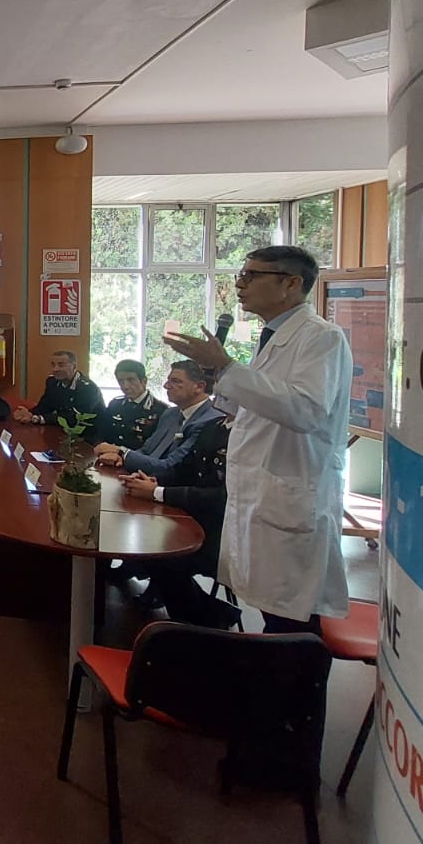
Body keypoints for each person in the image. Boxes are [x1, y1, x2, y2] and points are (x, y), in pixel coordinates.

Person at [164, 244, 352, 632]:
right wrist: (223, 379)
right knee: (274, 614)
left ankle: (293, 691)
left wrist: (227, 367)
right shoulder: (272, 338)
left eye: (252, 275)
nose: (240, 284)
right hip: (261, 496)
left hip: (291, 495)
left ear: (291, 283)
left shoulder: (321, 339)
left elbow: (306, 410)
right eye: (240, 275)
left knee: (292, 624)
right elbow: (256, 408)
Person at [120, 417, 240, 629]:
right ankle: (209, 615)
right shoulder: (214, 426)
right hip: (193, 519)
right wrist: (154, 481)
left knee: (166, 557)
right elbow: (185, 470)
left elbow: (225, 496)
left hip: (227, 533)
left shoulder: (247, 432)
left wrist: (158, 493)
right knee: (152, 550)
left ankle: (199, 622)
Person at [94, 360, 223, 484]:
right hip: (147, 480)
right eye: (168, 380)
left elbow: (171, 466)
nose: (166, 385)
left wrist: (121, 452)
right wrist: (121, 458)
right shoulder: (171, 413)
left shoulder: (211, 421)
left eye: (175, 381)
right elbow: (147, 450)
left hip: (175, 492)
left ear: (199, 387)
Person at [13, 350, 105, 427]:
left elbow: (74, 418)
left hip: (89, 437)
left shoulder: (87, 388)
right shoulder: (52, 382)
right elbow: (44, 407)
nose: (55, 369)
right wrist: (28, 413)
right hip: (62, 431)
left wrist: (37, 418)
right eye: (53, 365)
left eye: (61, 365)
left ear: (74, 367)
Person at [92, 359, 168, 449]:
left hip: (139, 461)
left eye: (131, 380)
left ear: (144, 381)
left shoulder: (160, 410)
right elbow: (102, 433)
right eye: (121, 381)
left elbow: (158, 447)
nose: (125, 386)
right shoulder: (115, 405)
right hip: (109, 457)